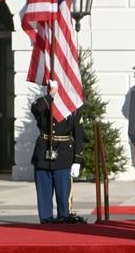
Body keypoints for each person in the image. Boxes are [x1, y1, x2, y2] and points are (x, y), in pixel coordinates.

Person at [31, 81, 84, 223]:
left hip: (63, 155)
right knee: (44, 195)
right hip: (43, 154)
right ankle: (46, 220)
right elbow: (36, 109)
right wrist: (51, 95)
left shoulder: (72, 108)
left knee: (63, 197)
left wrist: (77, 161)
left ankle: (64, 220)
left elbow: (78, 135)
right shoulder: (44, 104)